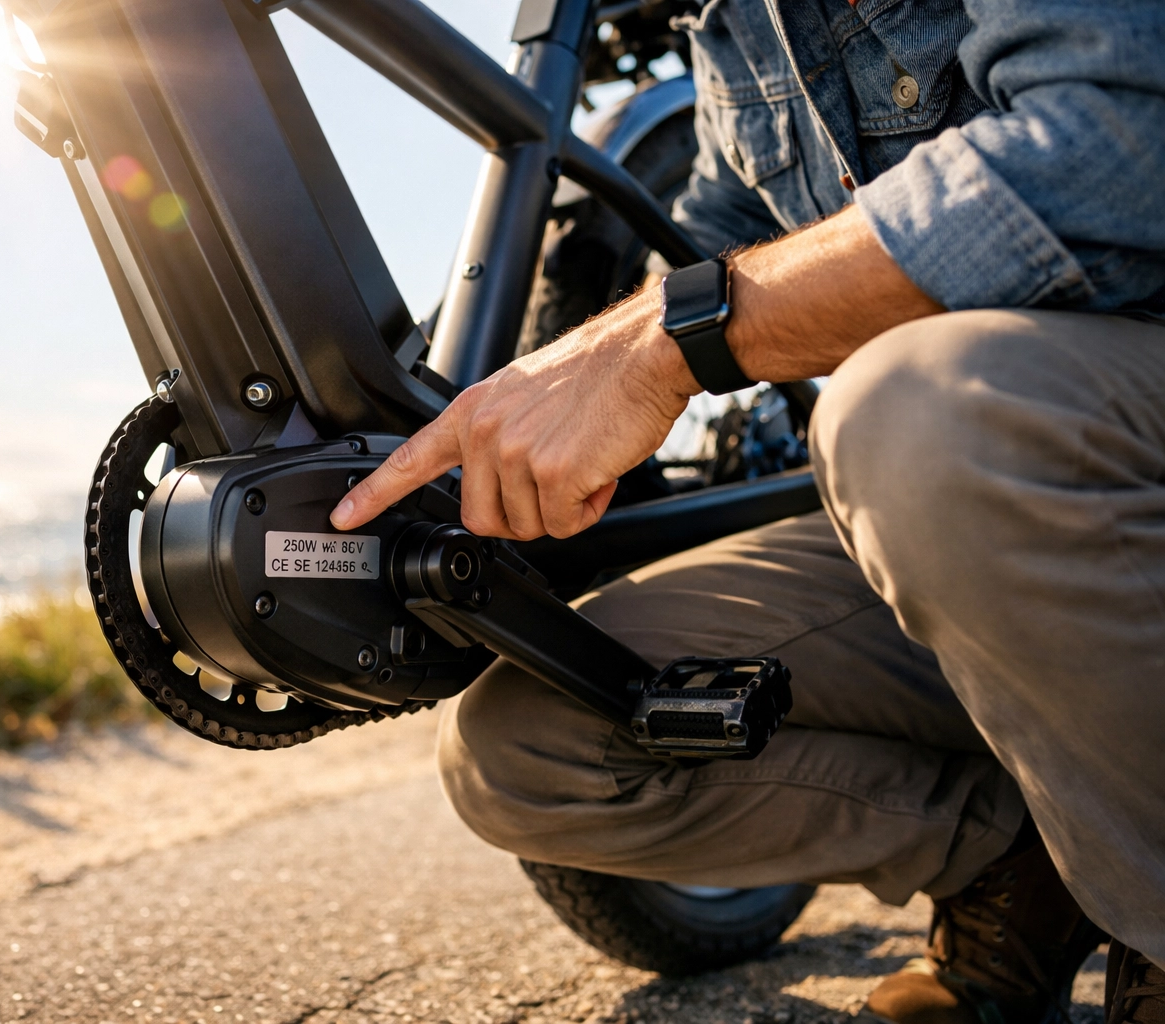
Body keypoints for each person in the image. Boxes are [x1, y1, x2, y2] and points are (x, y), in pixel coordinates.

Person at [330, 1, 1165, 1021]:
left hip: (1095, 445)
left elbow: (1115, 149)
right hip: (982, 515)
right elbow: (710, 250)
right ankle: (1023, 865)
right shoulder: (730, 26)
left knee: (908, 412)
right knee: (534, 741)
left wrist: (669, 341)